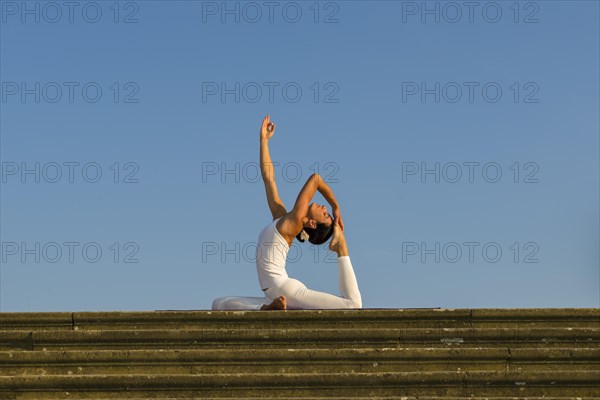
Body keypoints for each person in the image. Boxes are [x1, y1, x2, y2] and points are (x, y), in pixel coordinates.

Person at [211, 115, 362, 310]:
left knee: (352, 304)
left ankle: (342, 248)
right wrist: (264, 142)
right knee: (218, 304)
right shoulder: (281, 217)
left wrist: (335, 205)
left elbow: (315, 179)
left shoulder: (297, 220)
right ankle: (267, 309)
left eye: (324, 214)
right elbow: (268, 178)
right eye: (326, 210)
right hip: (272, 292)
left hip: (288, 290)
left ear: (312, 224)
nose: (324, 208)